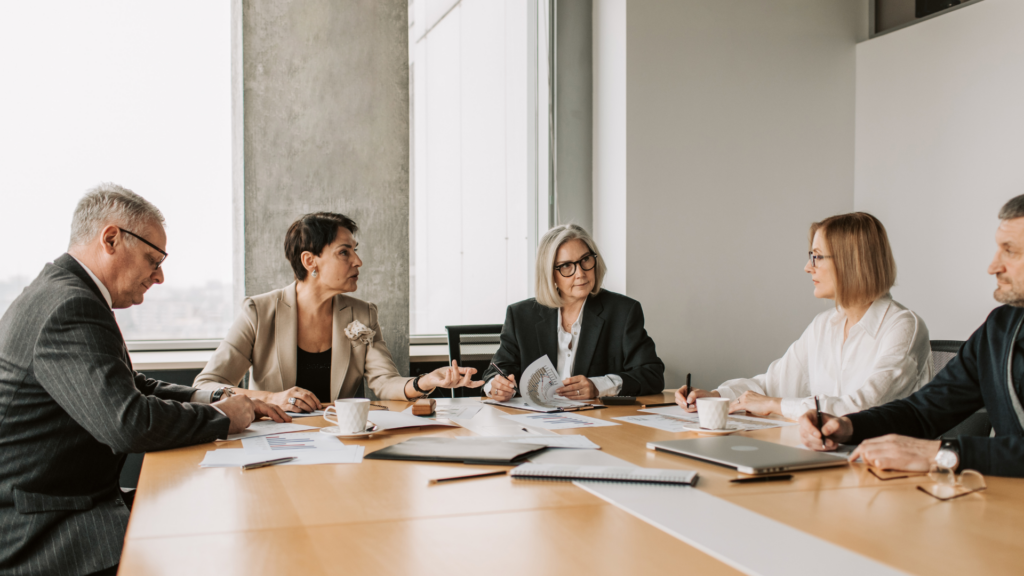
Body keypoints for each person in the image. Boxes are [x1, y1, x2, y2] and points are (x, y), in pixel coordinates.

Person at [0, 184, 287, 576]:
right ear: (111, 239)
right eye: (154, 259)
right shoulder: (70, 305)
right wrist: (224, 417)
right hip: (46, 531)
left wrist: (219, 395)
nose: (161, 276)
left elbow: (133, 385)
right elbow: (128, 423)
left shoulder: (64, 292)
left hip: (67, 502)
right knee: (229, 542)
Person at [800, 195, 1024, 478]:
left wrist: (941, 453)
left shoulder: (902, 323)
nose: (993, 266)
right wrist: (849, 426)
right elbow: (923, 410)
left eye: (1011, 251)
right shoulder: (1000, 328)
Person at [194, 212, 480, 411]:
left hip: (339, 440)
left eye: (355, 250)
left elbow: (385, 382)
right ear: (310, 261)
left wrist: (425, 381)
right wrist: (271, 398)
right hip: (270, 441)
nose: (358, 261)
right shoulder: (258, 311)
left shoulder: (364, 314)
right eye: (345, 252)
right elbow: (207, 386)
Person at [678, 212, 932, 420]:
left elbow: (861, 408)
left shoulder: (903, 327)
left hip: (882, 468)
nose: (807, 267)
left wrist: (775, 405)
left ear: (851, 262)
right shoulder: (824, 325)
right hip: (825, 455)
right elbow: (772, 385)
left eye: (817, 257)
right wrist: (716, 396)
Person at [483, 224, 664, 401]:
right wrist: (496, 386)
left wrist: (598, 386)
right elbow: (497, 370)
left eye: (585, 260)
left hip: (598, 424)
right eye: (566, 266)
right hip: (535, 422)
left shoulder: (623, 311)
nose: (580, 273)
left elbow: (652, 375)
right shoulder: (521, 315)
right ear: (550, 274)